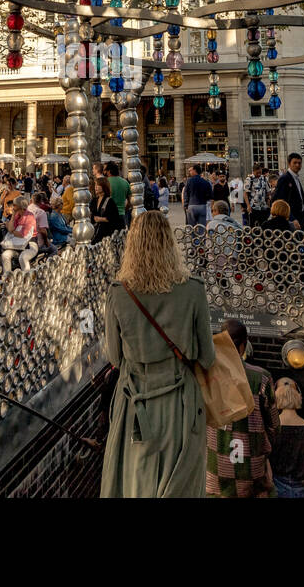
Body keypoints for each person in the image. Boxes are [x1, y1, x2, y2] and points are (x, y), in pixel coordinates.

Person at [101, 210, 216, 498]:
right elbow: (207, 358)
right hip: (178, 402)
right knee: (180, 480)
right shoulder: (192, 290)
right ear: (170, 245)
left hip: (134, 401)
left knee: (133, 481)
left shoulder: (118, 293)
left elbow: (114, 358)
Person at [206, 319, 278, 497]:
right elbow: (274, 426)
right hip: (251, 470)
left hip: (214, 471)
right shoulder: (261, 377)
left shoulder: (206, 375)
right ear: (243, 346)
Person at [1, 195, 40, 271]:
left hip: (30, 245)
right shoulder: (17, 215)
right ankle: (8, 277)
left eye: (14, 205)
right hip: (17, 245)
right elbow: (10, 229)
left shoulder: (30, 217)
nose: (12, 207)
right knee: (5, 255)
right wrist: (12, 216)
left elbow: (22, 234)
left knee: (23, 258)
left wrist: (12, 231)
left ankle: (27, 278)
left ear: (20, 206)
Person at [272, 154, 304, 228]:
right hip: (291, 219)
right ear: (289, 164)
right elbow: (281, 201)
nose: (297, 165)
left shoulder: (296, 177)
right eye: (295, 163)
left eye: (299, 163)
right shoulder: (285, 178)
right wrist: (292, 219)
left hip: (300, 217)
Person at [91, 176, 124, 243]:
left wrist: (101, 219)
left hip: (106, 233)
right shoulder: (94, 200)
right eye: (95, 185)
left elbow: (115, 218)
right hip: (95, 232)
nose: (96, 187)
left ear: (104, 186)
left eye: (98, 185)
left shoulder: (110, 201)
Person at [245, 163, 270, 228]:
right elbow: (245, 193)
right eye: (257, 173)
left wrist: (268, 203)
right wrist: (248, 206)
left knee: (264, 225)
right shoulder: (249, 179)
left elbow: (268, 191)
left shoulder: (264, 178)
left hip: (263, 207)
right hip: (253, 207)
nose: (259, 174)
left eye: (260, 172)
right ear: (253, 171)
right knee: (252, 226)